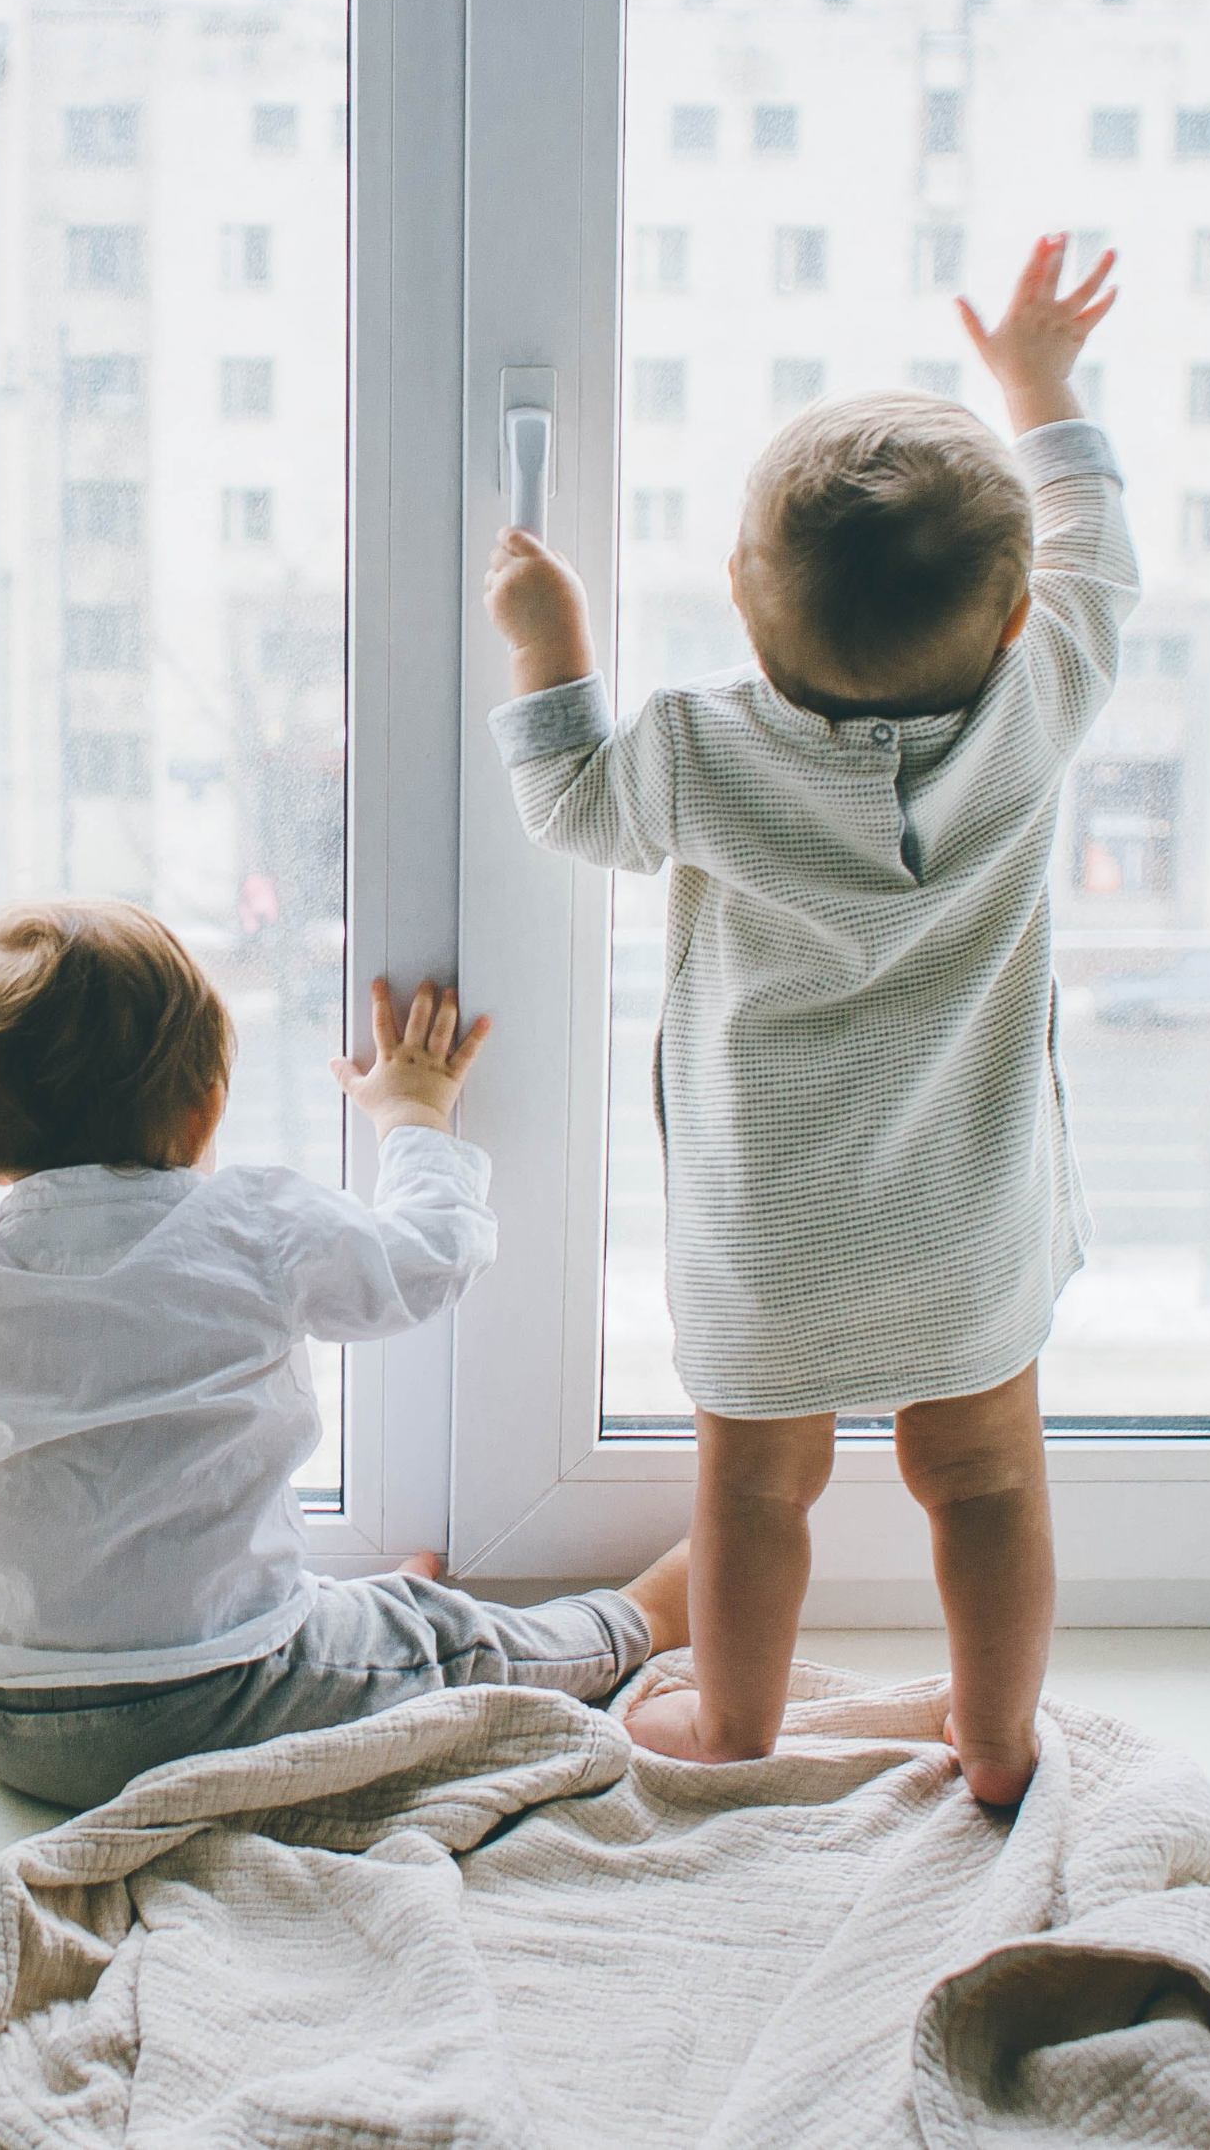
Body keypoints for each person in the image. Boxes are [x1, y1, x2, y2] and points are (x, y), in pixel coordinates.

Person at [482, 234, 1135, 1807]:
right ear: (1007, 618)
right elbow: (1096, 545)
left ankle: (736, 1730)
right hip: (968, 1216)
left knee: (756, 1497)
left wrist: (547, 649)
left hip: (771, 1227)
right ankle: (994, 1741)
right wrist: (1039, 386)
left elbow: (568, 800)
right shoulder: (1038, 704)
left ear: (738, 596)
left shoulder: (703, 753)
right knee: (982, 1478)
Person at [0, 898, 690, 1809]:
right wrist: (414, 1117)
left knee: (334, 1613)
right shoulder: (242, 1226)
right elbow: (425, 1259)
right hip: (210, 1700)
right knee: (445, 1641)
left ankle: (332, 1618)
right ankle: (637, 1622)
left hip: (0, 1711)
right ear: (205, 1111)